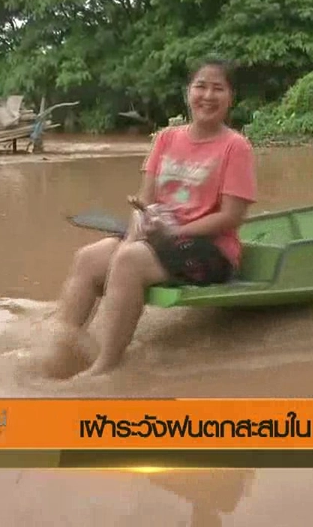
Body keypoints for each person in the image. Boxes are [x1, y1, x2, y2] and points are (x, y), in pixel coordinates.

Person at [36, 57, 257, 378]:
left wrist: (174, 232)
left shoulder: (236, 147)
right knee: (89, 257)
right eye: (200, 86)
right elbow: (145, 199)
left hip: (212, 250)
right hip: (159, 239)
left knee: (129, 260)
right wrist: (135, 232)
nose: (207, 96)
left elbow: (231, 217)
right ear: (187, 92)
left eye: (217, 89)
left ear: (230, 97)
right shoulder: (167, 138)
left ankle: (104, 366)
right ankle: (58, 345)